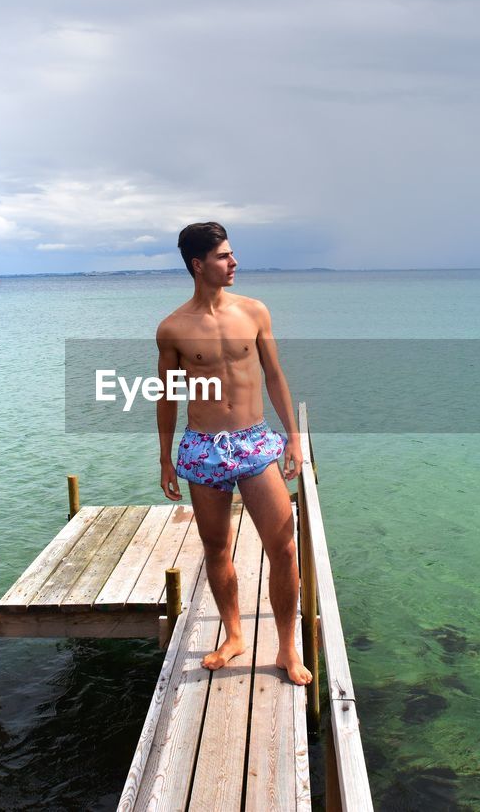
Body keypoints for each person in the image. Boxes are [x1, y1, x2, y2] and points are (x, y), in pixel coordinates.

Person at [155, 221, 313, 686]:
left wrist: (293, 437)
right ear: (198, 264)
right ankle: (234, 636)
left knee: (283, 548)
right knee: (216, 548)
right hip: (203, 447)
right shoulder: (173, 328)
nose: (234, 262)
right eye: (224, 256)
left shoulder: (254, 312)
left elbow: (274, 376)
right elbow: (166, 396)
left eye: (232, 254)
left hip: (254, 441)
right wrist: (165, 457)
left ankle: (287, 649)